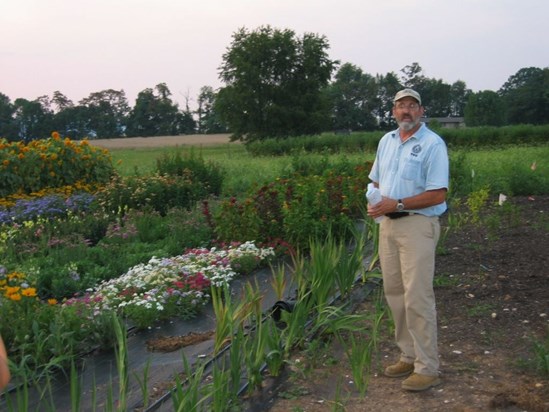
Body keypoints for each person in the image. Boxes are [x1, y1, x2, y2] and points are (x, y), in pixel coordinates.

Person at [367, 88, 449, 391]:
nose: (406, 111)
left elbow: (438, 193)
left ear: (421, 111)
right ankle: (408, 355)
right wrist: (375, 201)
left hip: (417, 225)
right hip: (387, 226)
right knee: (395, 293)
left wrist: (397, 203)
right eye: (401, 106)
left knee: (417, 296)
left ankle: (428, 367)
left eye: (412, 106)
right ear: (393, 111)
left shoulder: (432, 144)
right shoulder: (386, 142)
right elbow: (376, 180)